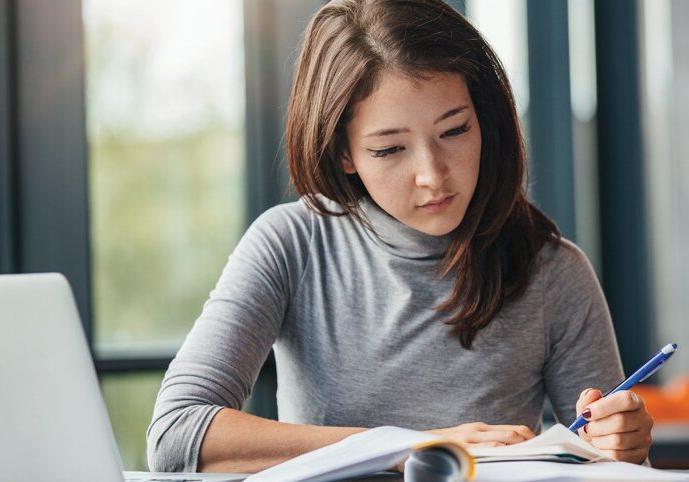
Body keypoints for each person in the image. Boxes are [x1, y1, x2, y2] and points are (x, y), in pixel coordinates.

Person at [146, 0, 653, 473]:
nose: (433, 176)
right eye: (389, 150)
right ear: (344, 154)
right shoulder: (292, 244)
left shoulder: (552, 272)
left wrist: (621, 447)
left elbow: (614, 471)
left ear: (485, 121)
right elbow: (176, 435)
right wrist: (411, 447)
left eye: (454, 131)